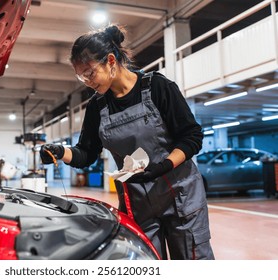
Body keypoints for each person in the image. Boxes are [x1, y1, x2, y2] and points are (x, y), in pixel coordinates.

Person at [39, 24, 214, 260]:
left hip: (180, 195)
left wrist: (164, 166)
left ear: (111, 60)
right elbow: (86, 153)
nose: (88, 82)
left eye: (90, 73)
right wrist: (60, 152)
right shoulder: (96, 106)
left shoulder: (158, 88)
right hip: (138, 202)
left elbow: (192, 136)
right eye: (82, 77)